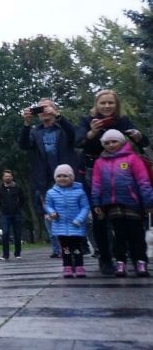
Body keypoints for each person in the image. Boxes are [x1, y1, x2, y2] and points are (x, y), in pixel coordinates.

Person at [75, 89, 149, 275]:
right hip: (96, 170)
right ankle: (106, 258)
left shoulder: (122, 121)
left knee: (128, 217)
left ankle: (134, 256)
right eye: (103, 103)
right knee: (100, 217)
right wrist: (93, 132)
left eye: (111, 103)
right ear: (96, 105)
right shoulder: (87, 121)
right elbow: (78, 141)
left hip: (123, 172)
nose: (107, 106)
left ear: (116, 105)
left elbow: (142, 142)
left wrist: (138, 136)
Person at [18, 98, 78, 258]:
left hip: (67, 178)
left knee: (70, 210)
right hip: (45, 180)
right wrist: (26, 123)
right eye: (40, 108)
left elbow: (75, 136)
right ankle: (58, 249)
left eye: (47, 107)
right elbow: (23, 145)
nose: (43, 110)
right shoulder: (35, 131)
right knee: (50, 214)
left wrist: (58, 116)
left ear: (54, 109)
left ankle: (77, 245)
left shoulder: (62, 128)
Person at [91, 129, 153, 278]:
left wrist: (148, 202)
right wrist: (96, 203)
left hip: (132, 203)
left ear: (122, 142)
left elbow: (143, 181)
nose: (111, 145)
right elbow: (96, 184)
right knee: (118, 236)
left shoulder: (133, 159)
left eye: (114, 141)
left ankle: (140, 261)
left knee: (136, 235)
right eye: (107, 142)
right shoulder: (100, 162)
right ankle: (120, 262)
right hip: (112, 205)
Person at [44, 164, 90, 278]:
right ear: (55, 178)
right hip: (60, 225)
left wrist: (79, 219)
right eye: (59, 176)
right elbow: (48, 205)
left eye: (65, 176)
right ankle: (67, 266)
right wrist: (52, 212)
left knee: (77, 248)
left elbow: (85, 207)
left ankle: (79, 266)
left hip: (76, 225)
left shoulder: (79, 192)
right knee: (65, 249)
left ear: (71, 177)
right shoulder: (51, 192)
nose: (62, 178)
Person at [0, 170, 25, 259]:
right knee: (5, 233)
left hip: (16, 214)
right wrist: (2, 209)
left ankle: (17, 253)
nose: (8, 177)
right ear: (3, 178)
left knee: (17, 233)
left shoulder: (18, 188)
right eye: (6, 176)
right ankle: (5, 254)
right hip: (5, 215)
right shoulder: (0, 189)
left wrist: (18, 207)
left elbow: (23, 199)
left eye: (9, 176)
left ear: (12, 177)